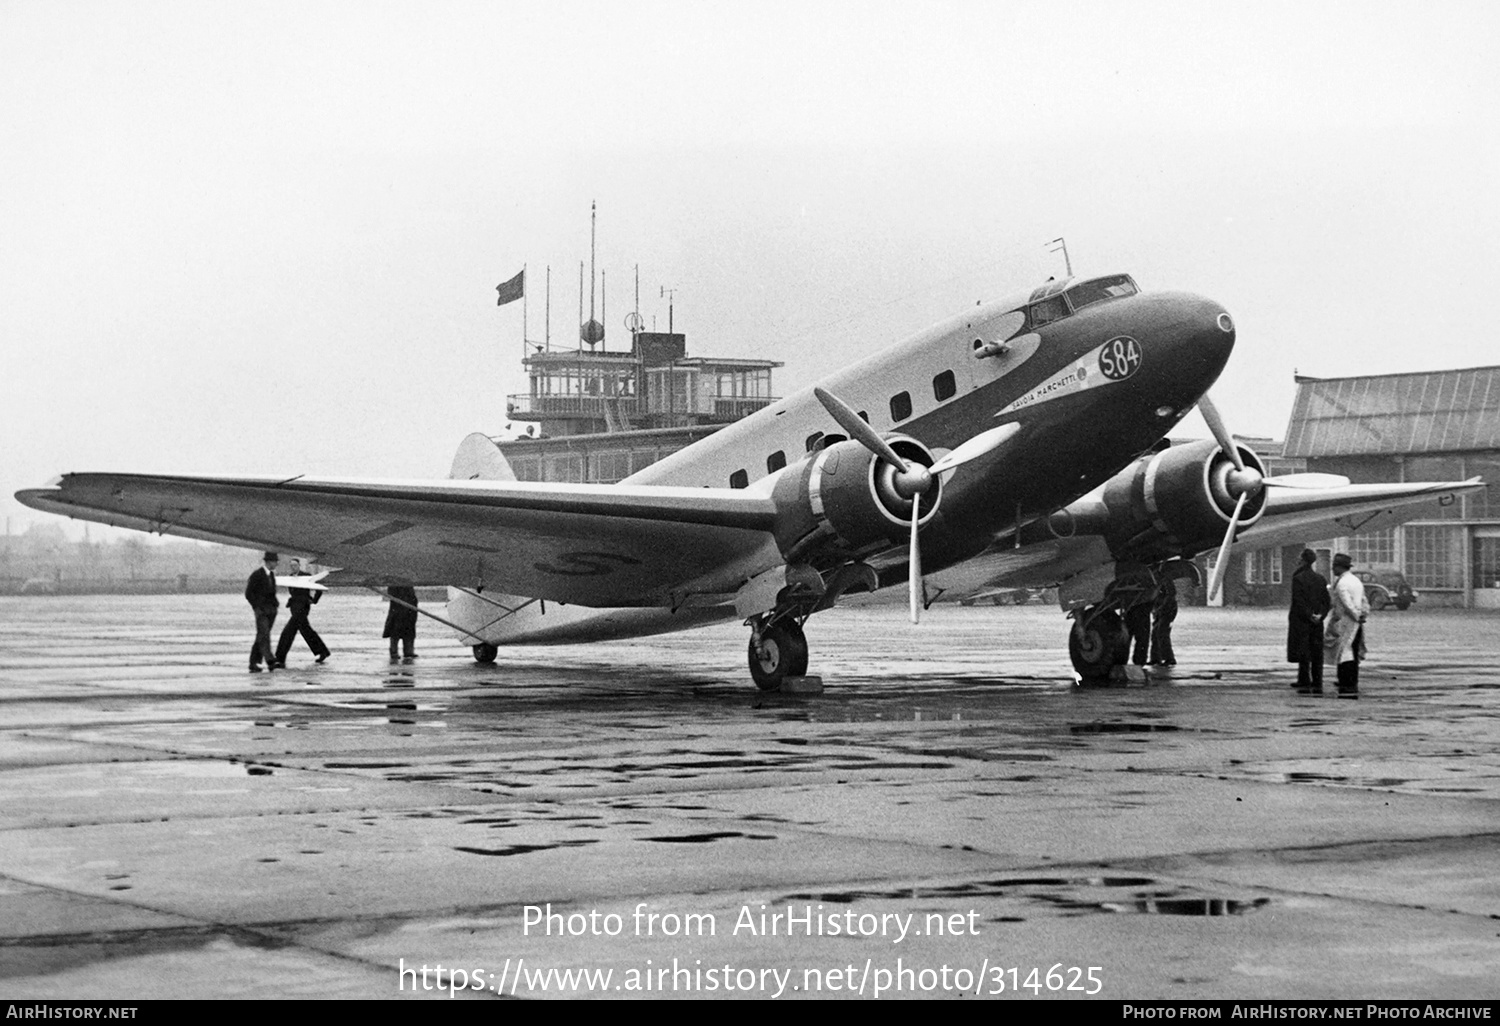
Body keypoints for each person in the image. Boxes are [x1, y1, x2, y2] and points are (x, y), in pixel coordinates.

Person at [1287, 548, 1331, 692]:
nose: (1298, 560)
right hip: (1317, 621)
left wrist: (1309, 615)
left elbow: (1298, 601)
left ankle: (1304, 679)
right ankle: (1317, 680)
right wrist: (1320, 615)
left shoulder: (1298, 578)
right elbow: (1327, 601)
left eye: (1300, 557)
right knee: (1317, 650)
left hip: (1302, 621)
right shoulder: (1320, 579)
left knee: (1303, 649)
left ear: (1303, 560)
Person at [1326, 552, 1369, 698]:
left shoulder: (1342, 583)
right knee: (1354, 650)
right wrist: (1363, 614)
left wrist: (1356, 616)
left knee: (1344, 652)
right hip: (1357, 621)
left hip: (1346, 621)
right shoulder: (1356, 581)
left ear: (1339, 567)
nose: (1332, 569)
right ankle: (1352, 680)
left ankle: (1346, 682)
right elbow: (1363, 600)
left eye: (1334, 566)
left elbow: (1347, 604)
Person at [273, 558, 330, 666]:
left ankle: (280, 658)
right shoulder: (290, 578)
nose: (293, 567)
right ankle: (322, 651)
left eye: (295, 565)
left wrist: (314, 600)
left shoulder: (306, 576)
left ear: (299, 566)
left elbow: (318, 588)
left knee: (288, 631)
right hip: (294, 607)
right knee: (305, 630)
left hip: (303, 607)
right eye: (291, 566)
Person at [244, 551, 280, 673]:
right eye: (275, 562)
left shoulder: (271, 575)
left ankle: (254, 663)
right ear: (269, 562)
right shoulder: (257, 575)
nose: (276, 564)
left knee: (261, 636)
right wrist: (257, 607)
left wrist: (275, 605)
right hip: (261, 610)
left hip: (271, 610)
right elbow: (248, 593)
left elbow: (272, 592)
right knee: (264, 634)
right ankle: (270, 660)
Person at [383, 584, 419, 660]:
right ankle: (394, 652)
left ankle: (408, 651)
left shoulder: (408, 584)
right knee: (395, 631)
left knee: (409, 631)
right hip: (398, 609)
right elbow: (391, 593)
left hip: (409, 609)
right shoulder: (394, 583)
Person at [1148, 577, 1177, 666]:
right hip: (1161, 609)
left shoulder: (1164, 580)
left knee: (1161, 632)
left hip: (1167, 609)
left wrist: (1160, 606)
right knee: (1157, 633)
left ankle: (1167, 658)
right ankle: (1157, 658)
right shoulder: (1160, 580)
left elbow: (1170, 595)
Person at [1124, 598, 1152, 667]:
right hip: (1142, 610)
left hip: (1131, 609)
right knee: (1142, 638)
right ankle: (1140, 661)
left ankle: (1122, 659)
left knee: (1126, 638)